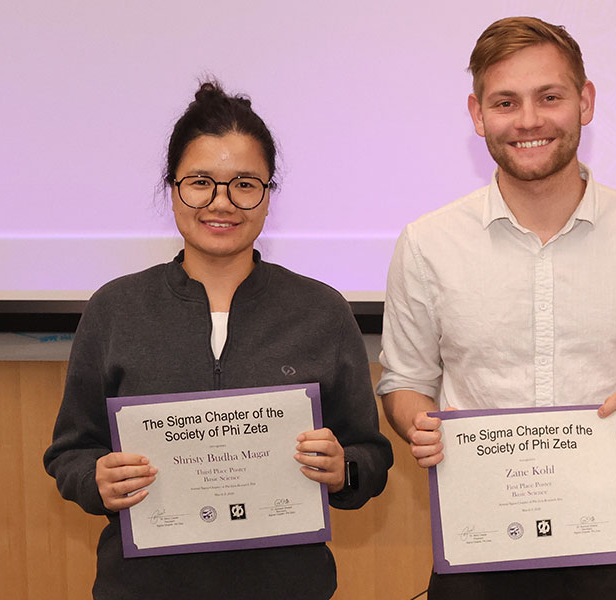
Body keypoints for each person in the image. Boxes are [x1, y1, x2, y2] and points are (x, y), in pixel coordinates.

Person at [377, 16, 616, 599]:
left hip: (611, 538)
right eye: (505, 102)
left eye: (549, 97)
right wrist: (417, 424)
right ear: (477, 114)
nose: (528, 120)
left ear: (584, 102)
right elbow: (405, 382)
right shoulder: (427, 244)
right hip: (477, 530)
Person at [43, 81, 392, 599]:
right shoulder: (115, 309)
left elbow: (371, 454)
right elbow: (70, 451)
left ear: (269, 195)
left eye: (245, 184)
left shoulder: (322, 311)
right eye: (200, 182)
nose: (221, 203)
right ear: (172, 190)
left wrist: (344, 469)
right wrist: (95, 478)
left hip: (288, 586)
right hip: (143, 586)